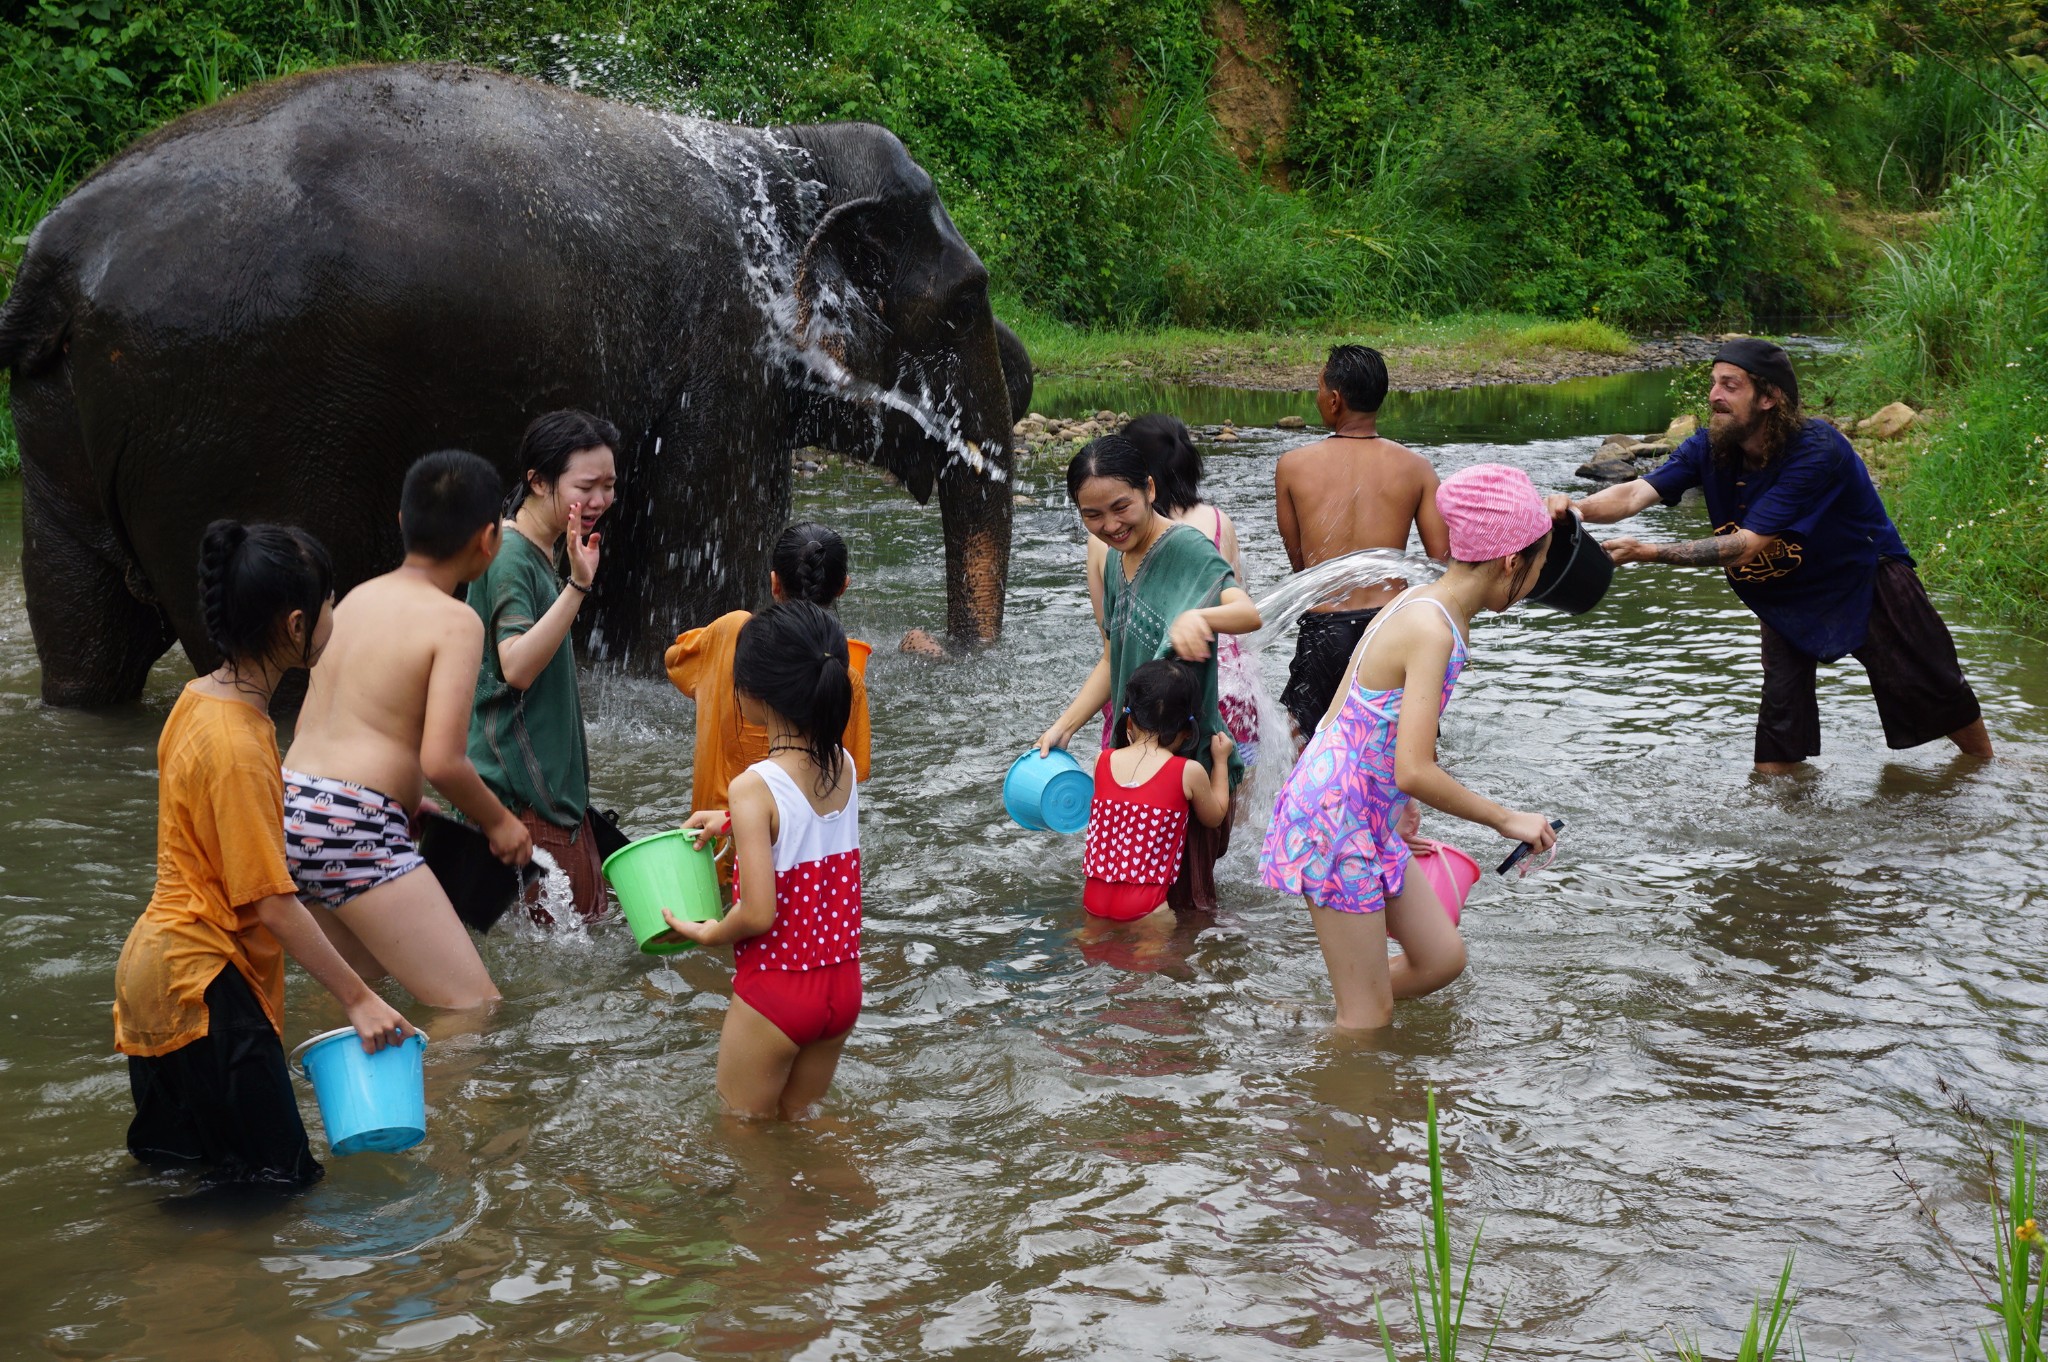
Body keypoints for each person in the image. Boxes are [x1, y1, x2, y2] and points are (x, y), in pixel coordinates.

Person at [114, 521, 417, 1187]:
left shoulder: (199, 700)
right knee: (281, 1186)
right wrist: (359, 998)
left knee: (190, 1182)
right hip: (205, 985)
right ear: (297, 623)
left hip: (155, 976)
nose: (336, 615)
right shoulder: (239, 743)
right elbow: (270, 900)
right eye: (331, 603)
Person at [1545, 338, 1993, 773]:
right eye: (1714, 383)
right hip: (1783, 594)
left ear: (1769, 397)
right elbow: (1632, 493)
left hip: (1865, 579)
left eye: (1730, 385)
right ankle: (1781, 822)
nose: (1714, 396)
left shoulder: (1817, 449)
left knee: (1935, 692)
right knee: (1780, 715)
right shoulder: (1710, 445)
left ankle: (1986, 774)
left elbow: (1747, 544)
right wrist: (1576, 510)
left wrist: (1651, 552)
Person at [1260, 463, 1561, 1030]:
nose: (1537, 580)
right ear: (1512, 560)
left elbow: (1347, 710)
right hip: (1336, 816)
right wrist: (1506, 819)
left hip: (1362, 808)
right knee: (1370, 1020)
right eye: (1539, 565)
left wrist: (1397, 804)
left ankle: (1320, 1015)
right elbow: (1414, 768)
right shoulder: (1432, 627)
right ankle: (1321, 1097)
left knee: (1441, 959)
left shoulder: (1422, 602)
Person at [283, 450, 522, 1008]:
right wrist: (502, 824)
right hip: (352, 821)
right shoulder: (455, 620)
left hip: (288, 804)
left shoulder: (359, 598)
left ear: (401, 521)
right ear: (488, 539)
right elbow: (443, 760)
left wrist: (400, 802)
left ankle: (332, 1090)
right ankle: (445, 1100)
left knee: (364, 988)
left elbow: (340, 719)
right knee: (473, 1008)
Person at [1038, 436, 1262, 911]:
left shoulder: (1187, 548)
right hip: (1132, 756)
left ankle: (1184, 984)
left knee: (1182, 906)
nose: (1110, 525)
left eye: (1121, 507)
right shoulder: (1116, 561)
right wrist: (1065, 726)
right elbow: (1110, 660)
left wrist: (1202, 619)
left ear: (1150, 490)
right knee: (1132, 898)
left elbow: (1246, 612)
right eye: (1092, 515)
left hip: (1184, 763)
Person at [658, 602, 863, 1121]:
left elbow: (758, 915)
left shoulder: (753, 786)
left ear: (753, 693)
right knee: (801, 1128)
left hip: (779, 990)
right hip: (841, 985)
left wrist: (705, 932)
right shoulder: (844, 766)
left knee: (744, 1138)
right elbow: (804, 829)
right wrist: (731, 821)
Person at [467, 410, 620, 922]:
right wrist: (578, 586)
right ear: (537, 480)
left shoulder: (537, 552)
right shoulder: (510, 556)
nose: (600, 500)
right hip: (528, 807)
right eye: (587, 486)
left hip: (550, 804)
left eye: (610, 485)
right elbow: (515, 667)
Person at [1274, 344, 1451, 746]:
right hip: (1392, 626)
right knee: (1405, 747)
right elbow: (1441, 565)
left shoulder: (1292, 465)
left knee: (1305, 742)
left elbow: (1303, 567)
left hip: (1324, 630)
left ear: (1334, 400)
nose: (1317, 397)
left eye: (1319, 388)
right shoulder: (1417, 468)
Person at [665, 522, 872, 823]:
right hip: (798, 859)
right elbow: (846, 777)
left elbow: (675, 661)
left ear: (774, 583)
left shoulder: (729, 633)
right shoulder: (843, 673)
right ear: (843, 587)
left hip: (711, 850)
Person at [1107, 414, 1262, 765]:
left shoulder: (1114, 538)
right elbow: (1239, 601)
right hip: (1231, 684)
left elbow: (1115, 639)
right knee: (1226, 793)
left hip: (1157, 696)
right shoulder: (1219, 520)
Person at [1083, 659, 1233, 925]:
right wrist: (1221, 762)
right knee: (1157, 963)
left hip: (1094, 898)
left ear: (1129, 721)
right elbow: (1215, 816)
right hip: (1146, 906)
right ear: (1188, 732)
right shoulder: (1187, 771)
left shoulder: (1102, 761)